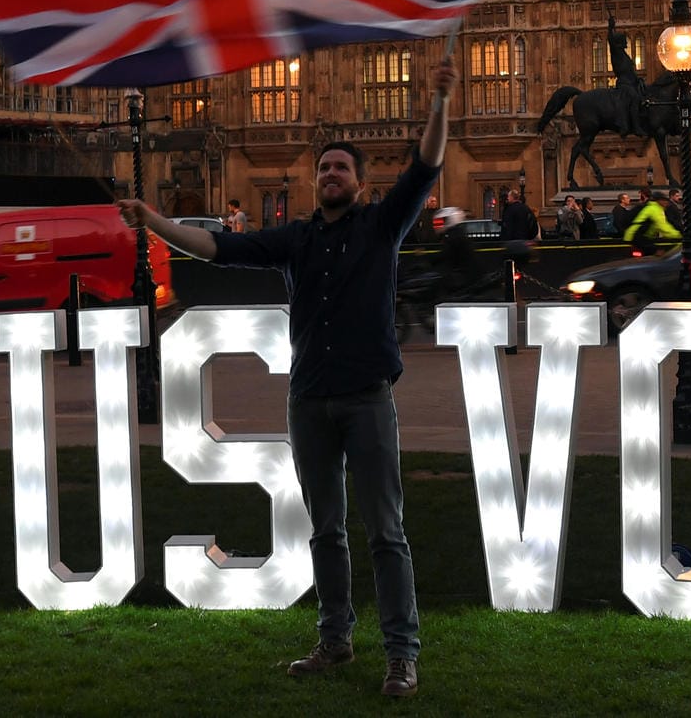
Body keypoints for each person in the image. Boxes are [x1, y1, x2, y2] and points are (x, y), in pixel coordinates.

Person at [116, 55, 455, 700]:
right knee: (325, 529)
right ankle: (335, 639)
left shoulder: (383, 226)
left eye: (342, 168)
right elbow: (217, 247)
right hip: (309, 401)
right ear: (314, 179)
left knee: (385, 531)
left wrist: (438, 103)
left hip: (367, 399)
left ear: (359, 181)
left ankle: (401, 653)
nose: (331, 174)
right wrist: (152, 223)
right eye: (324, 167)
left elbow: (427, 165)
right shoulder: (296, 239)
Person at [623, 187, 679, 254]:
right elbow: (664, 227)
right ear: (659, 201)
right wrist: (679, 236)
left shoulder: (654, 207)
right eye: (664, 200)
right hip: (636, 236)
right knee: (657, 253)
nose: (666, 203)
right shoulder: (654, 209)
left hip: (639, 236)